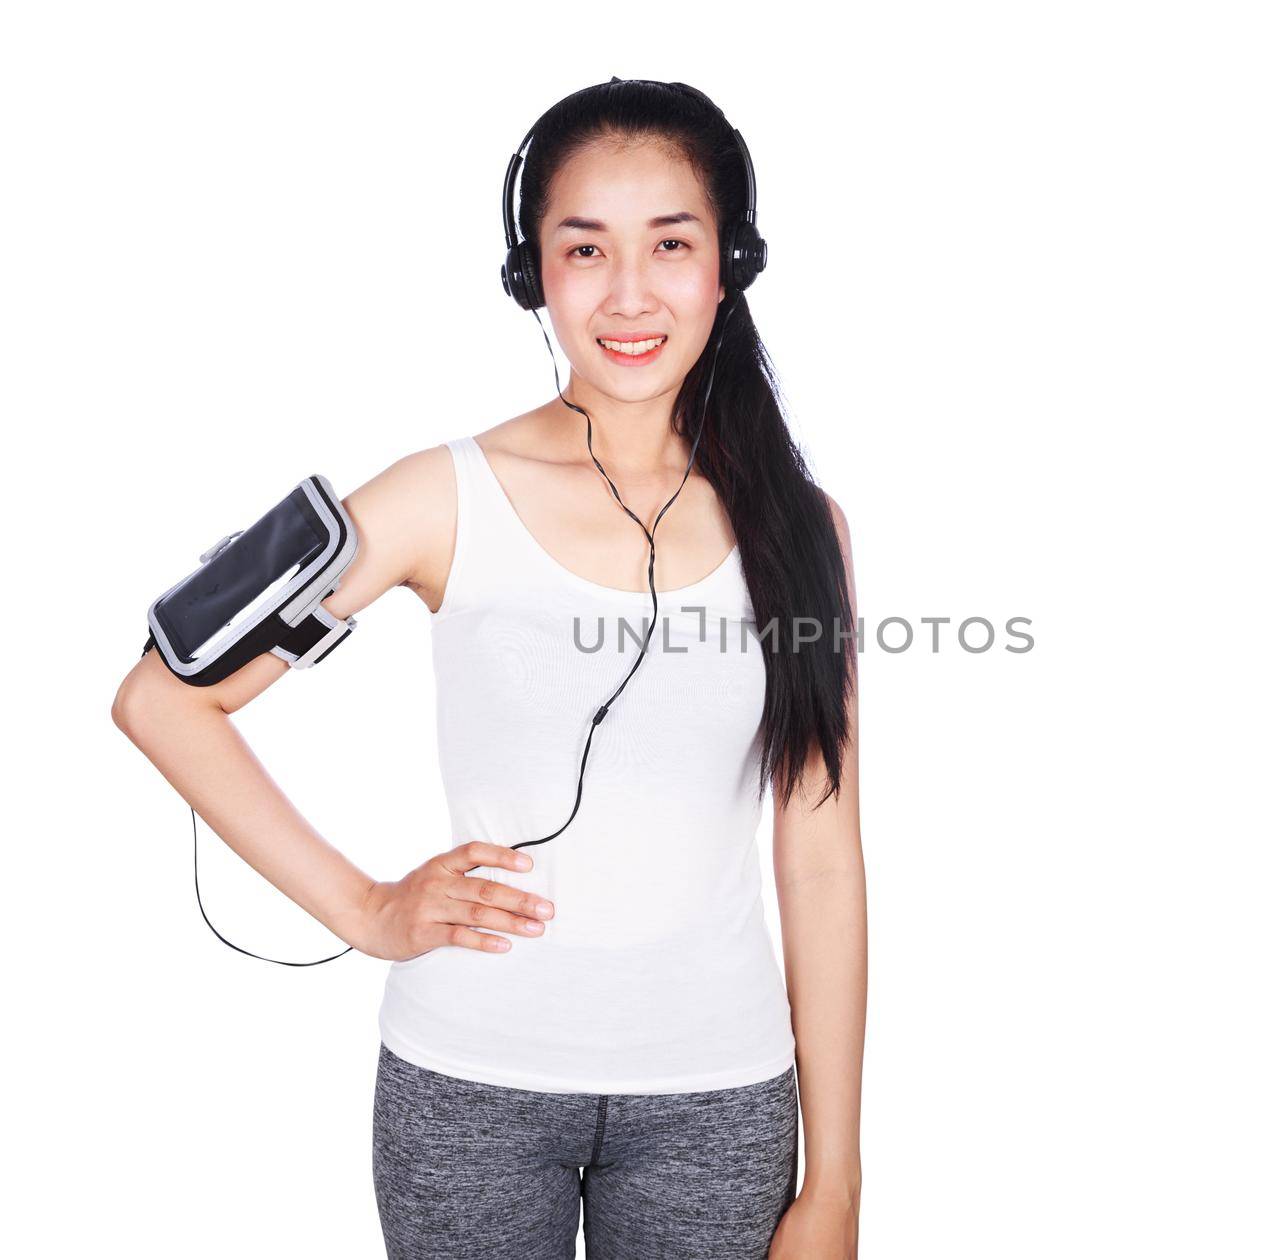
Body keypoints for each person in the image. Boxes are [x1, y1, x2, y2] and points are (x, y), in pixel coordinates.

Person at [111, 78, 865, 1259]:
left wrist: (837, 1186)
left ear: (731, 263)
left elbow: (818, 856)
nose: (628, 294)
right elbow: (164, 698)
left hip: (719, 1094)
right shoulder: (436, 497)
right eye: (584, 249)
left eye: (670, 244)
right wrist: (366, 908)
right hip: (469, 1087)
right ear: (534, 276)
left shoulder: (800, 528)